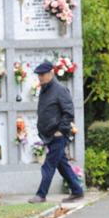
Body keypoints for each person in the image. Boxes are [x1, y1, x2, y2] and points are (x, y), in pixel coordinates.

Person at [29, 62, 84, 203]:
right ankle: (77, 190)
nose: (39, 77)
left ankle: (41, 194)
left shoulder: (60, 89)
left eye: (42, 75)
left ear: (51, 73)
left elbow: (68, 112)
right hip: (49, 134)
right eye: (38, 75)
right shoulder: (45, 89)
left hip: (58, 135)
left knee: (48, 165)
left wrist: (61, 130)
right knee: (61, 165)